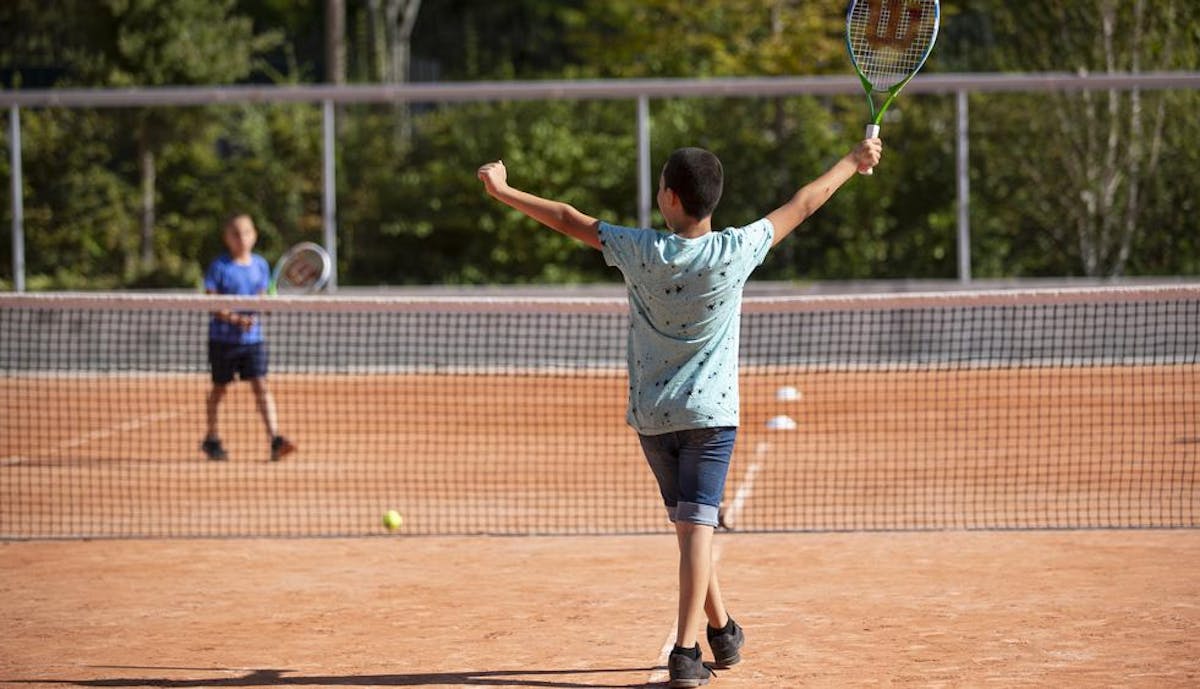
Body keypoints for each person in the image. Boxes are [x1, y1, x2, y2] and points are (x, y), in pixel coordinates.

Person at [478, 137, 882, 687]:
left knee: (692, 526)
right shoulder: (737, 249)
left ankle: (722, 632)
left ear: (669, 198)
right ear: (712, 201)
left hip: (652, 416)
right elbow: (805, 202)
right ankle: (686, 654)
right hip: (710, 417)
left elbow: (569, 219)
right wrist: (853, 162)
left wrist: (503, 192)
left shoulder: (639, 250)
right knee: (695, 528)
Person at [200, 213, 296, 462]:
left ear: (254, 236)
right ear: (227, 238)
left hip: (252, 341)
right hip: (222, 341)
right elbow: (210, 302)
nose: (241, 238)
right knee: (219, 389)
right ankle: (212, 438)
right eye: (235, 233)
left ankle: (275, 439)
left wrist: (265, 308)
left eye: (246, 233)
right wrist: (236, 319)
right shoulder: (219, 267)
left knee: (261, 386)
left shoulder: (261, 265)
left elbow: (262, 298)